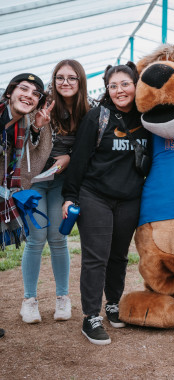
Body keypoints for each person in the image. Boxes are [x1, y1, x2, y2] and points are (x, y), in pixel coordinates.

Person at [62, 62, 150, 345]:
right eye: (113, 86)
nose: (119, 90)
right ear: (107, 89)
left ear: (136, 86)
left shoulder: (147, 119)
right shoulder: (98, 117)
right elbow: (79, 160)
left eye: (125, 84)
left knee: (119, 255)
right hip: (95, 195)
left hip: (130, 198)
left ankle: (113, 303)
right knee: (96, 256)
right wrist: (70, 196)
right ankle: (90, 316)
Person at [19, 60, 93, 325]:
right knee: (36, 237)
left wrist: (69, 159)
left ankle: (63, 297)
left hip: (64, 183)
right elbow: (25, 141)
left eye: (71, 78)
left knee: (58, 237)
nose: (65, 83)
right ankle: (29, 300)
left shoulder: (89, 108)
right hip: (36, 180)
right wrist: (38, 125)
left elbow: (91, 147)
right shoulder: (42, 103)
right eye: (60, 78)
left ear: (80, 80)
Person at [1, 72, 47, 338]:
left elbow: (30, 160)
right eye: (24, 88)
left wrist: (38, 128)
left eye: (35, 93)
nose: (29, 95)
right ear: (10, 92)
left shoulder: (22, 125)